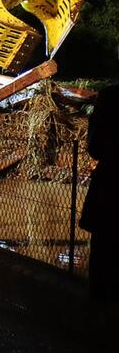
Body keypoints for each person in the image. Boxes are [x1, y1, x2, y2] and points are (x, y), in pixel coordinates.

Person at [79, 83, 119, 306]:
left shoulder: (110, 97)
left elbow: (95, 146)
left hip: (111, 186)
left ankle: (100, 314)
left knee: (103, 252)